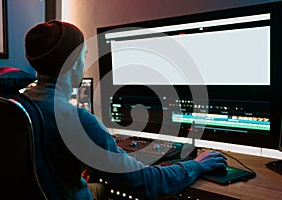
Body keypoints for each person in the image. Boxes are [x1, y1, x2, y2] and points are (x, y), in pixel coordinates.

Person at [24, 20, 227, 200]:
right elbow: (144, 183)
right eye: (84, 56)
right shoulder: (76, 120)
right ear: (75, 61)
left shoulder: (17, 106)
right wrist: (197, 165)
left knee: (101, 188)